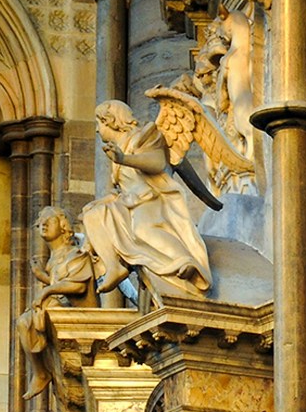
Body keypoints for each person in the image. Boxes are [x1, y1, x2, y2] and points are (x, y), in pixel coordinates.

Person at [81, 100, 211, 298]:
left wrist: (124, 159)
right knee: (92, 215)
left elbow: (157, 162)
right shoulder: (117, 149)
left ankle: (186, 260)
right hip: (130, 202)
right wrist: (99, 202)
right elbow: (123, 189)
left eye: (98, 124)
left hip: (152, 200)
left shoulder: (143, 136)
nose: (98, 130)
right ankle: (114, 266)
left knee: (144, 230)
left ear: (110, 121)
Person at [16, 206, 97, 403]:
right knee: (24, 323)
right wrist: (43, 277)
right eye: (40, 222)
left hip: (81, 315)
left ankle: (42, 372)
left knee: (37, 316)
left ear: (63, 226)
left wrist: (46, 290)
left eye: (49, 220)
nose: (43, 224)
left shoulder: (76, 254)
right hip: (61, 306)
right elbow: (61, 282)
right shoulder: (53, 260)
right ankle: (41, 372)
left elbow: (78, 286)